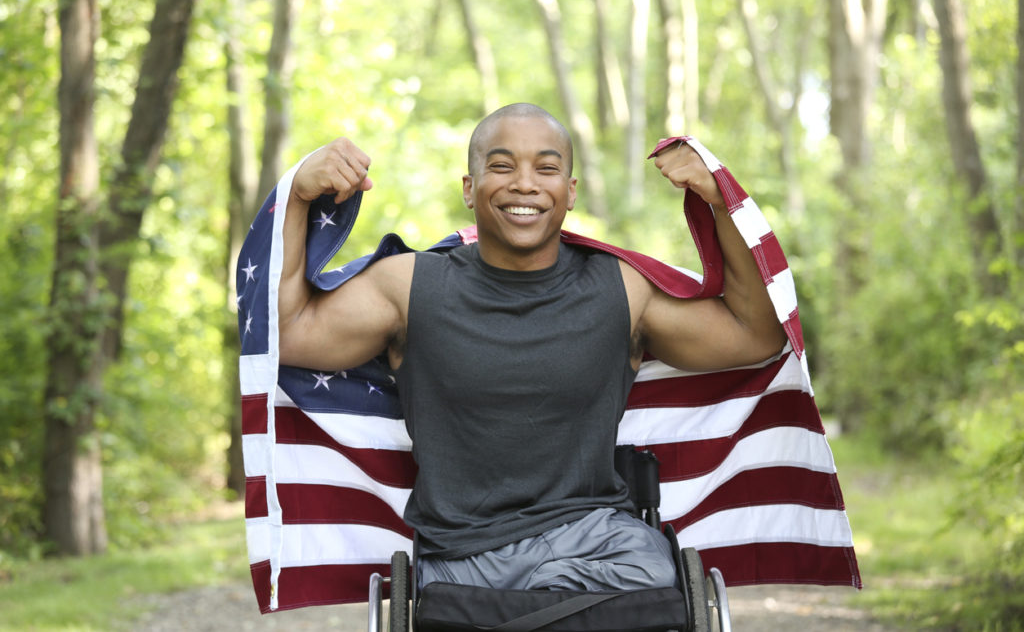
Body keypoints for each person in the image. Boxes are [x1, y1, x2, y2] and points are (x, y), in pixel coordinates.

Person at [277, 103, 786, 592]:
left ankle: (534, 607)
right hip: (461, 556)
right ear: (470, 190)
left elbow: (754, 334)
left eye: (546, 169)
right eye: (501, 166)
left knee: (656, 571)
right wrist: (298, 195)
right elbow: (288, 332)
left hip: (598, 542)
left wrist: (719, 199)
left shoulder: (621, 290)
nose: (524, 183)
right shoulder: (408, 287)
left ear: (570, 191)